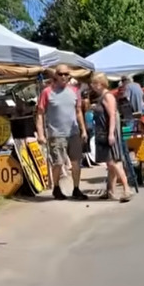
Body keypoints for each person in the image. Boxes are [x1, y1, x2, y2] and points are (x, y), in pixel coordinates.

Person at [36, 64, 88, 200]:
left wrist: (83, 130)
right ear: (55, 76)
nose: (63, 76)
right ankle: (56, 188)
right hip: (56, 133)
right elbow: (40, 114)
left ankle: (76, 189)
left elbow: (78, 112)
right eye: (60, 74)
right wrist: (41, 134)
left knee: (76, 162)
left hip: (73, 132)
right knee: (58, 163)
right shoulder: (47, 92)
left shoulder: (75, 91)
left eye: (66, 74)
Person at [89, 72, 132, 202]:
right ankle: (110, 191)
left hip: (108, 133)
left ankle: (126, 189)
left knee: (114, 162)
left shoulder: (108, 97)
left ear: (100, 84)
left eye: (94, 83)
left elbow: (112, 115)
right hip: (103, 132)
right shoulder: (102, 97)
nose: (92, 86)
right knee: (110, 162)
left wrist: (111, 133)